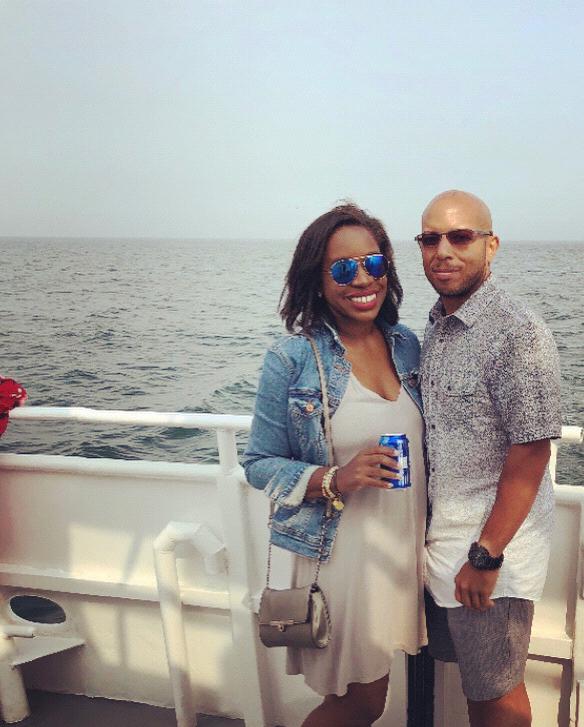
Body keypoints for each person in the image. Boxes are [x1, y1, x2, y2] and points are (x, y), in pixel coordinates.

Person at [244, 203, 427, 727]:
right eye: (344, 269)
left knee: (371, 695)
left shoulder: (406, 344)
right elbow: (257, 463)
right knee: (358, 703)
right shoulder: (294, 357)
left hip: (400, 552)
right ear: (318, 282)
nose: (363, 279)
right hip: (341, 558)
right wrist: (334, 478)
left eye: (374, 263)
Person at [417, 190, 562, 727]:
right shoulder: (437, 325)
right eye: (430, 239)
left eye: (460, 237)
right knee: (476, 685)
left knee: (497, 694)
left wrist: (487, 555)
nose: (443, 251)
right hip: (443, 547)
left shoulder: (516, 332)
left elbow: (531, 451)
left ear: (491, 245)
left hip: (489, 557)